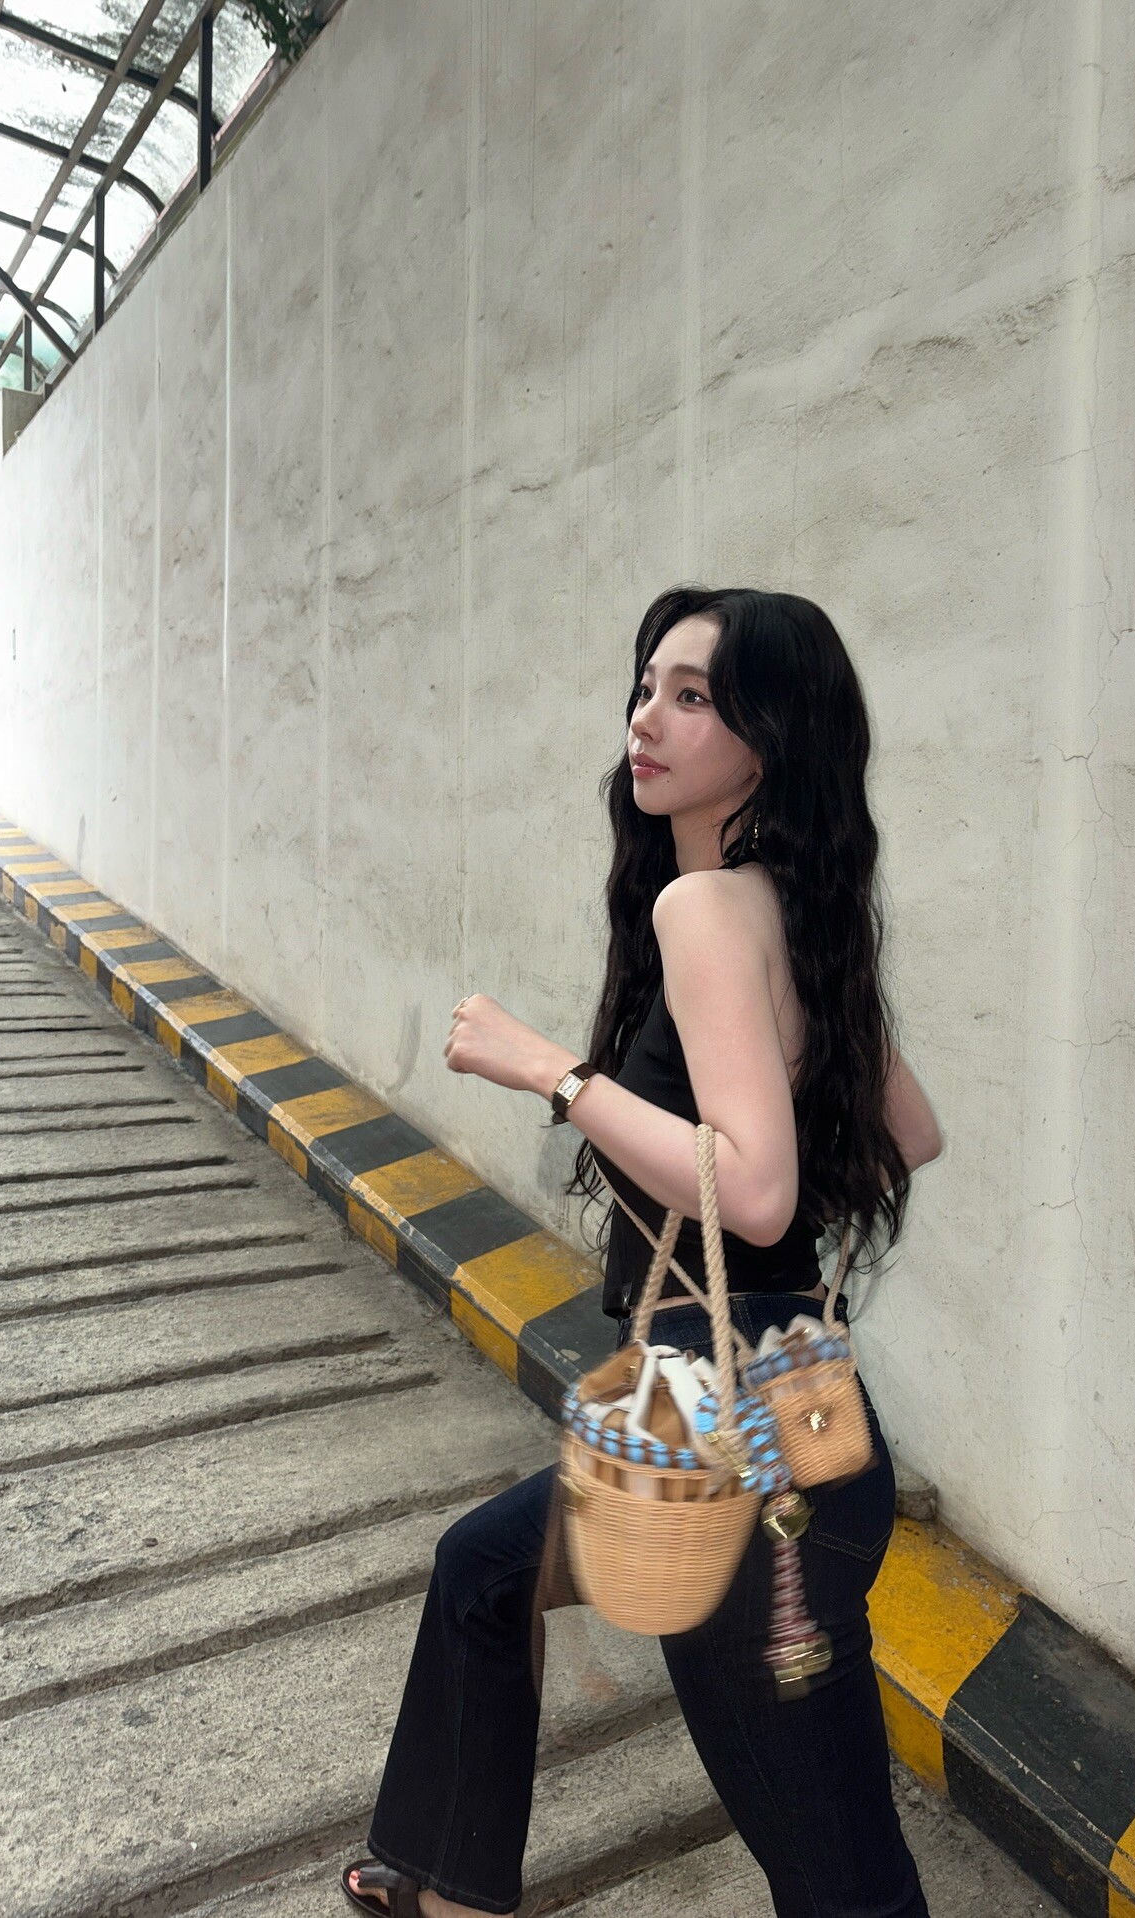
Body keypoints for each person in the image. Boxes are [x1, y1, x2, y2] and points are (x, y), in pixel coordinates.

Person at [341, 587, 942, 1918]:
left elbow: (760, 1192)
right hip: (768, 1406)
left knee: (841, 1881)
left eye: (693, 696)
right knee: (484, 1571)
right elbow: (913, 1133)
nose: (646, 720)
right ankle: (449, 1884)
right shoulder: (794, 911)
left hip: (725, 1436)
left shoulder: (709, 911)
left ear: (770, 737)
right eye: (646, 687)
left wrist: (548, 1071)